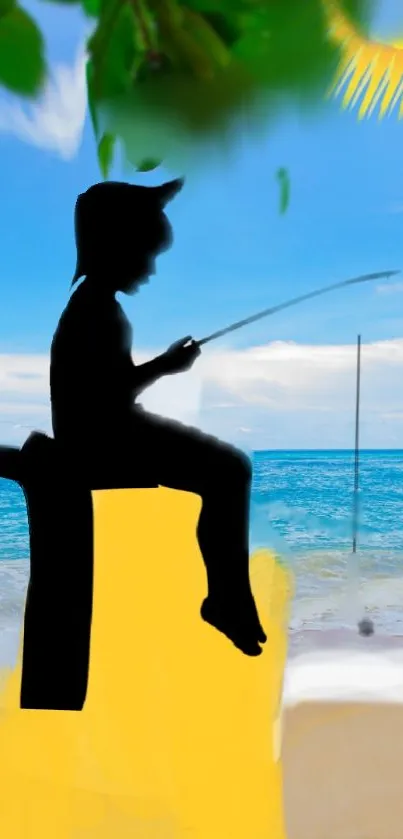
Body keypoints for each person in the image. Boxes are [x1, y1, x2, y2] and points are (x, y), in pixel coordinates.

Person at [50, 178, 267, 657]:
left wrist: (160, 369)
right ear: (115, 245)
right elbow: (106, 394)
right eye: (144, 252)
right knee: (230, 470)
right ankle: (226, 600)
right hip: (100, 443)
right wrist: (166, 367)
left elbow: (108, 391)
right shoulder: (95, 311)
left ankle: (228, 598)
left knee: (229, 468)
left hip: (105, 432)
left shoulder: (97, 306)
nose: (149, 267)